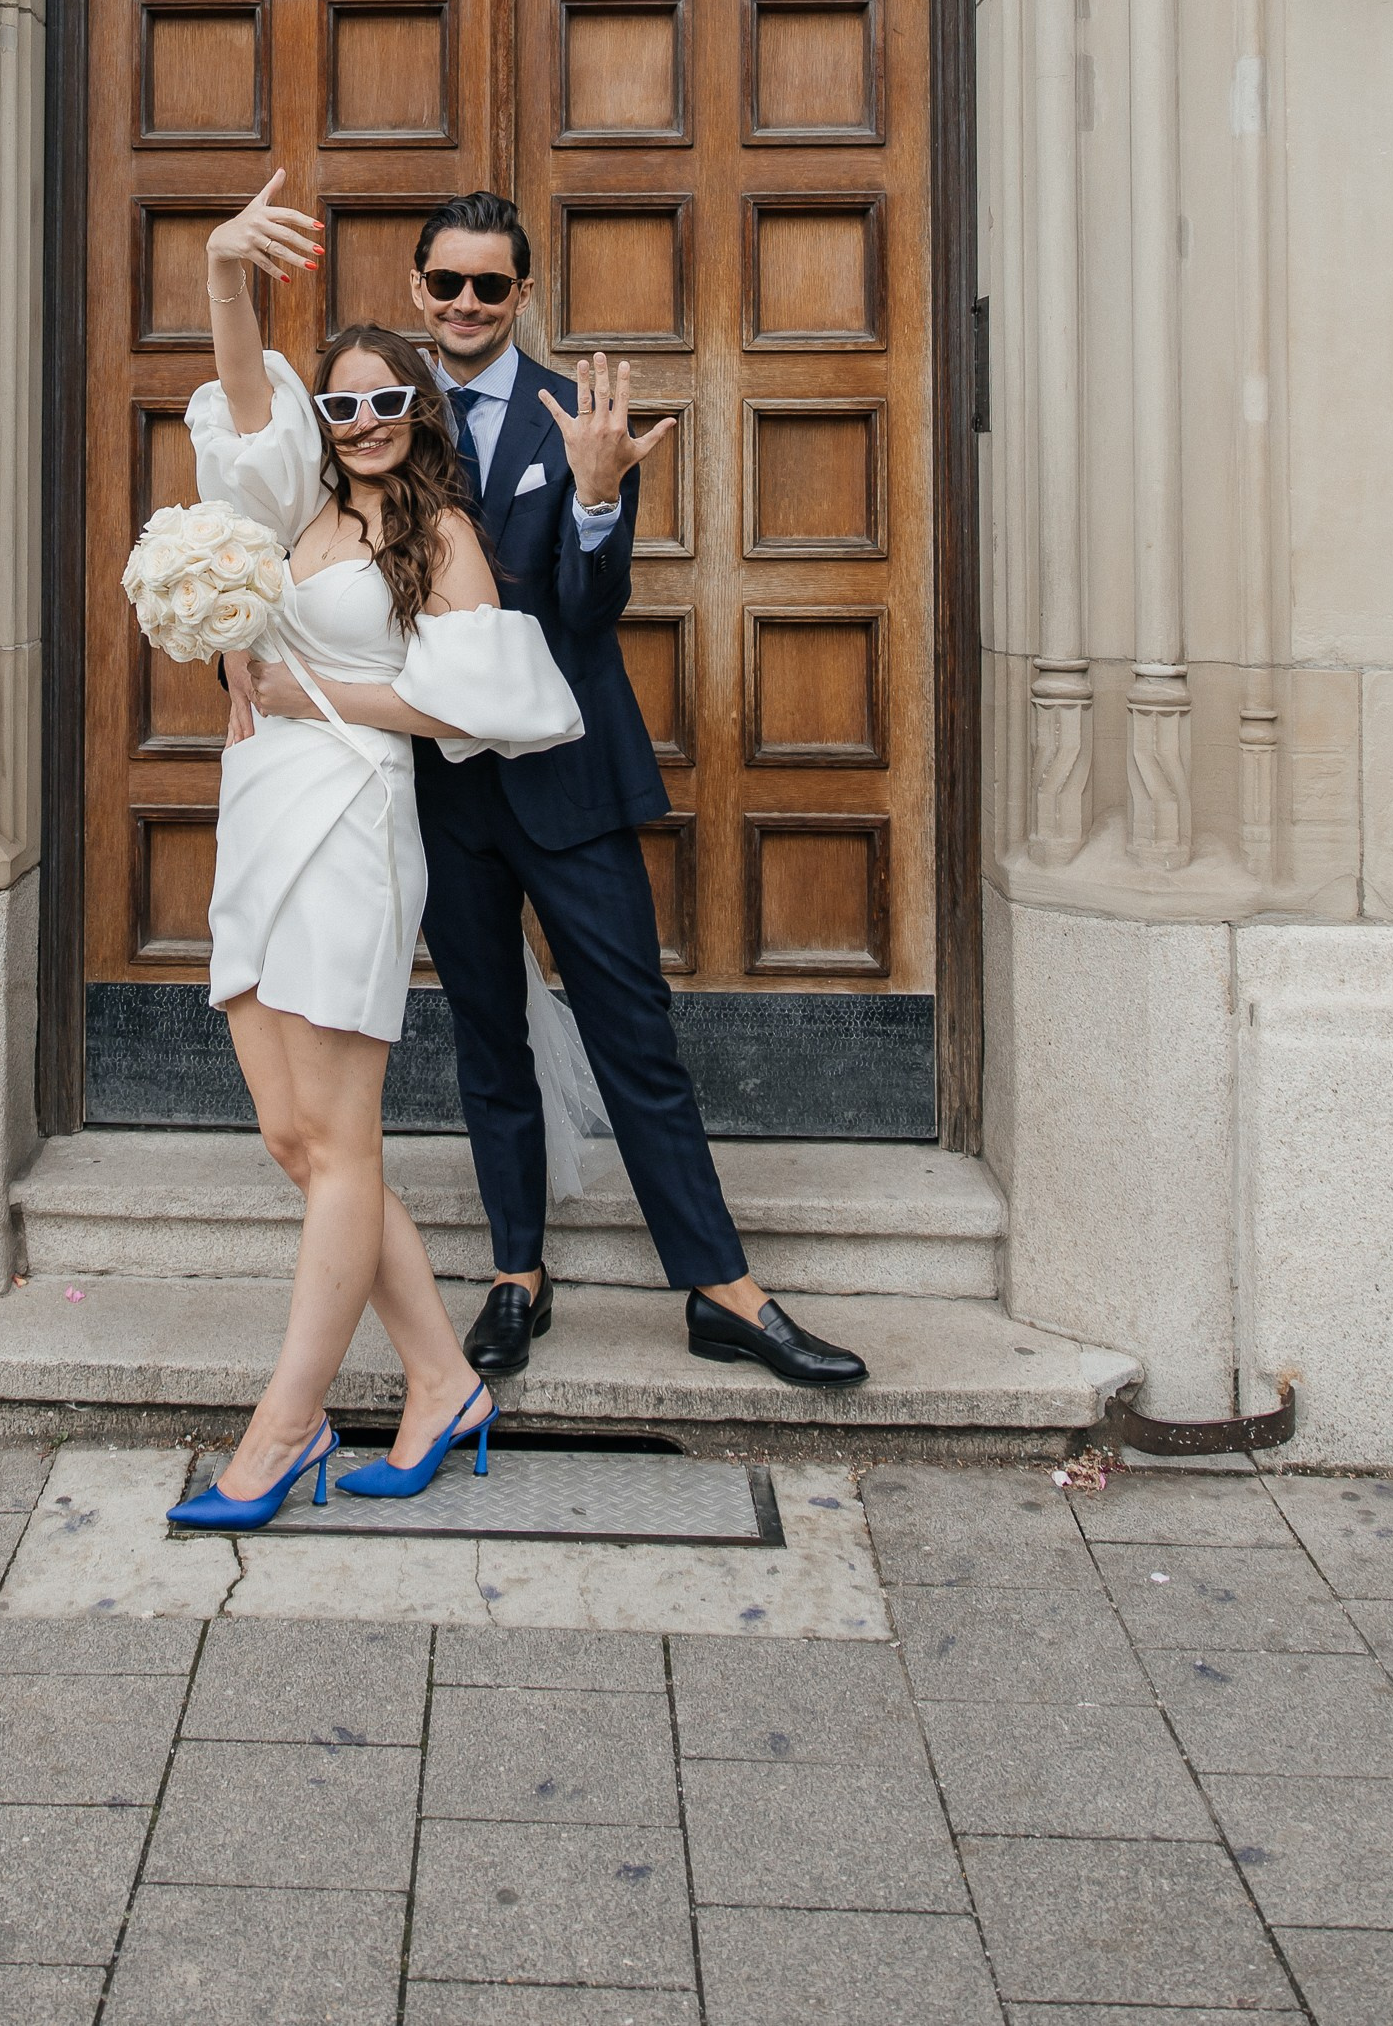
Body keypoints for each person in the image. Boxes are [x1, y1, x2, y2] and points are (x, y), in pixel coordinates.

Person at [164, 174, 586, 1532]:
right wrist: (224, 272)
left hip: (354, 822)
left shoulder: (439, 532)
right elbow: (243, 397)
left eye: (385, 400)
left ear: (417, 408)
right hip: (258, 813)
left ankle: (283, 1427)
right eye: (339, 405)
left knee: (340, 1142)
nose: (360, 422)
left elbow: (491, 704)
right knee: (295, 1138)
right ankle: (445, 1384)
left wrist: (311, 693)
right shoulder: (288, 499)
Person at [405, 188, 869, 1393]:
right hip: (435, 788)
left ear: (520, 294)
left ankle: (720, 1288)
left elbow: (587, 606)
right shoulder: (377, 412)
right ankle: (516, 1273)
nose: (465, 303)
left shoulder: (576, 418)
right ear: (418, 290)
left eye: (489, 285)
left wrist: (598, 495)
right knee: (487, 1037)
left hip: (567, 779)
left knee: (634, 1034)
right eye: (446, 282)